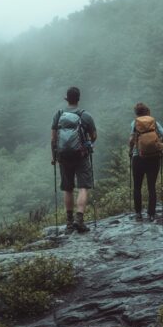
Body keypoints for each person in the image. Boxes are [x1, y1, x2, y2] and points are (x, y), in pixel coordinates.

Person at [51, 87, 97, 233]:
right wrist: (87, 143)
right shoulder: (85, 115)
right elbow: (94, 135)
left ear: (67, 99)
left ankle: (69, 222)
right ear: (78, 99)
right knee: (83, 187)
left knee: (67, 188)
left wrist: (54, 156)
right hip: (81, 155)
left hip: (63, 156)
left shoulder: (59, 114)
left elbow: (53, 139)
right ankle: (80, 219)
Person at [128, 102, 163, 222]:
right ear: (147, 112)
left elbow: (131, 140)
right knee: (151, 187)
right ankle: (151, 214)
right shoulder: (154, 122)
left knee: (137, 187)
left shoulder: (134, 123)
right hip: (154, 157)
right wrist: (157, 143)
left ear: (136, 113)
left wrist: (131, 150)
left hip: (138, 157)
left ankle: (138, 214)